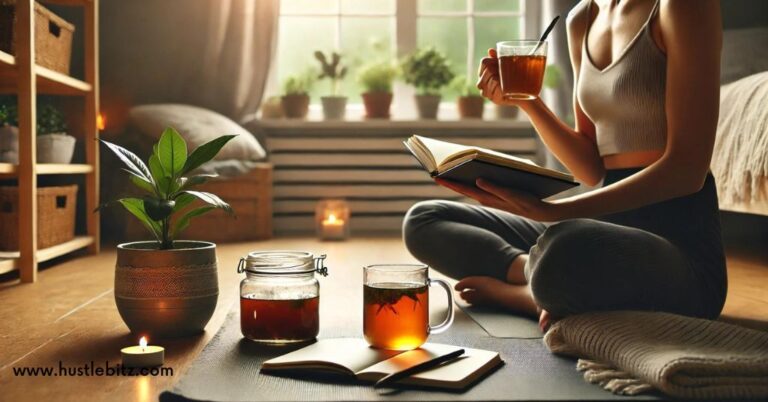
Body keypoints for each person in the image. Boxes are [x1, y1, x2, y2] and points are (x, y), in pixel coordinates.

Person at [403, 0, 726, 330]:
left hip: (678, 249)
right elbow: (590, 167)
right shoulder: (582, 19)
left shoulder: (685, 6)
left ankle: (527, 293)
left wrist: (554, 212)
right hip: (600, 226)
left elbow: (687, 171)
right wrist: (527, 102)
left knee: (564, 248)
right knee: (424, 220)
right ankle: (535, 277)